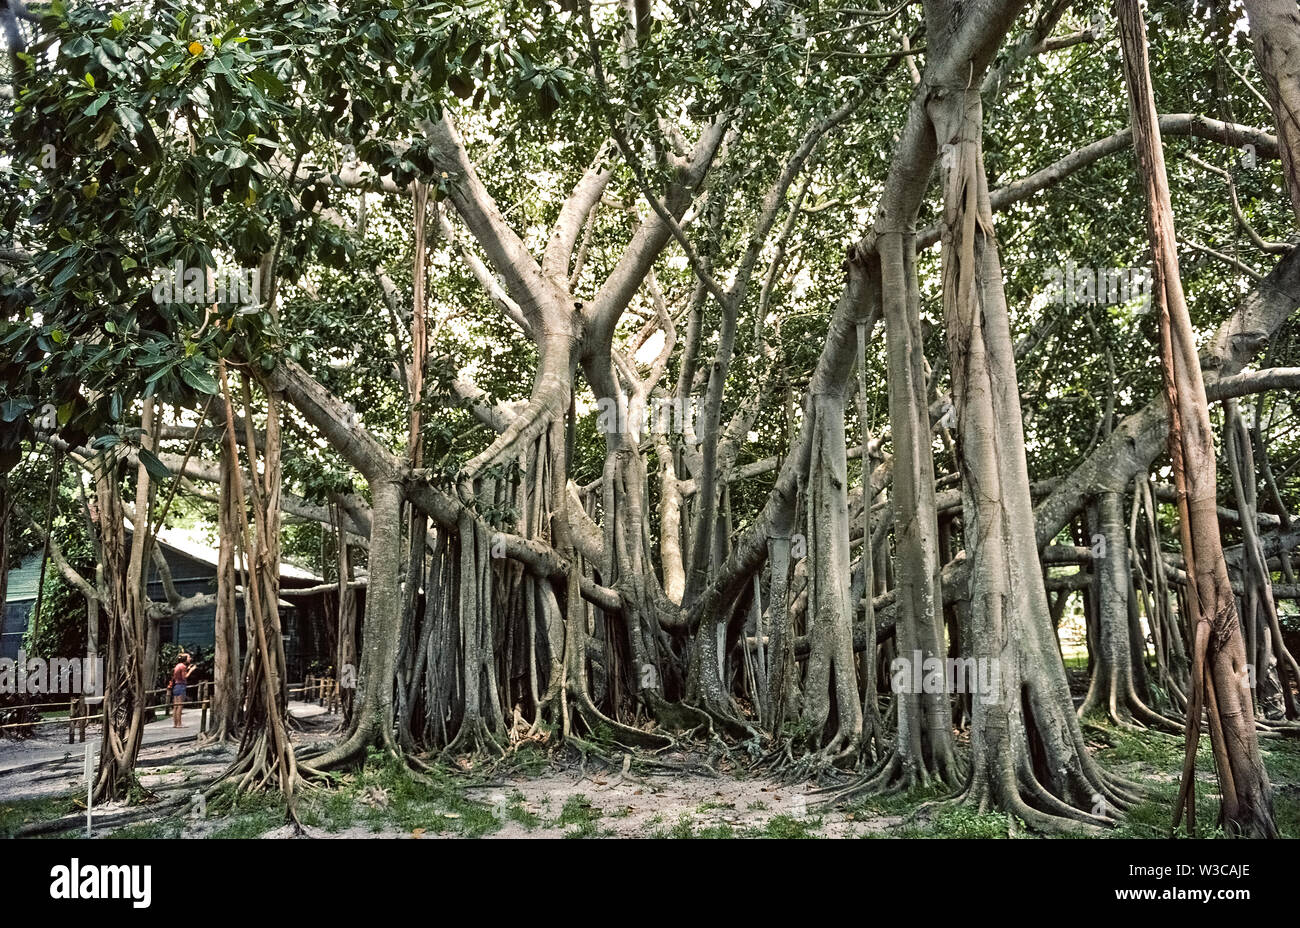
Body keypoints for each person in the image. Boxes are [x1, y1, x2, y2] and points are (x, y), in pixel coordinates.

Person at [171, 653, 194, 728]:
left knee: (175, 706)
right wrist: (191, 670)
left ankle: (175, 724)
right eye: (188, 657)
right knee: (180, 706)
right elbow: (185, 677)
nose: (190, 659)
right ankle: (179, 724)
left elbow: (179, 675)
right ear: (185, 659)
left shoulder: (178, 665)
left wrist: (187, 668)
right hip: (181, 686)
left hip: (176, 686)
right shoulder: (183, 666)